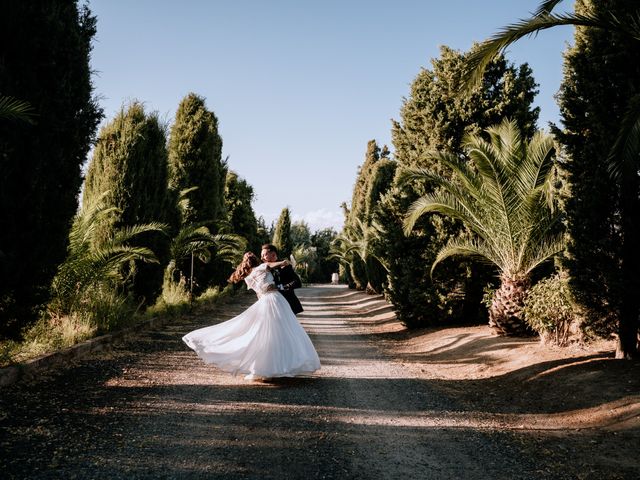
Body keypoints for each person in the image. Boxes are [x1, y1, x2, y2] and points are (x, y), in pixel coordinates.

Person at [182, 252, 320, 381]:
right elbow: (271, 265)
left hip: (264, 302)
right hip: (275, 300)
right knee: (283, 331)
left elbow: (259, 294)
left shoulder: (248, 278)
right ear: (255, 260)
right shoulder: (261, 268)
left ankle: (265, 368)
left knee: (266, 333)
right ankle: (281, 366)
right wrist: (283, 262)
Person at [260, 243, 303, 314]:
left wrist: (280, 287)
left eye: (264, 255)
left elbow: (297, 282)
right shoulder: (263, 268)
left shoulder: (285, 266)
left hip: (287, 303)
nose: (262, 258)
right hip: (270, 305)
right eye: (261, 255)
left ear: (273, 254)